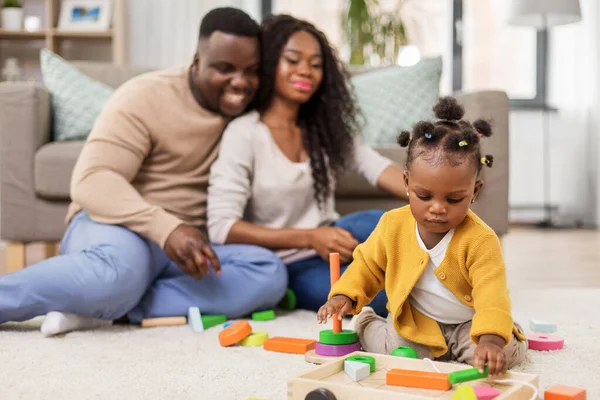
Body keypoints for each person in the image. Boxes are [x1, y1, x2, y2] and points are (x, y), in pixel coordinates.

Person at [0, 7, 288, 336]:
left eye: (251, 71)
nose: (241, 82)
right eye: (225, 69)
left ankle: (104, 309)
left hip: (189, 248)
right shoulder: (145, 96)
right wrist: (165, 227)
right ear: (196, 62)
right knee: (118, 275)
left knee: (268, 273)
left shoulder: (254, 106)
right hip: (118, 228)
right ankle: (101, 295)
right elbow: (92, 180)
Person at [206, 14, 407, 317]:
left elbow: (375, 166)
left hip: (336, 234)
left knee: (393, 225)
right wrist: (310, 238)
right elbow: (222, 227)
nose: (306, 71)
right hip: (291, 261)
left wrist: (431, 197)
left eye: (315, 64)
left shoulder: (324, 127)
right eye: (293, 60)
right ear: (271, 63)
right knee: (376, 300)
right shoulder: (244, 133)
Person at [317, 96, 528, 376]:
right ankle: (369, 322)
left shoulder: (481, 240)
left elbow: (492, 293)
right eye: (424, 196)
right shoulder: (392, 225)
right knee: (398, 351)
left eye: (454, 199)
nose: (438, 209)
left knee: (503, 355)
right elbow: (367, 266)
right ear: (406, 183)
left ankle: (505, 332)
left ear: (474, 191)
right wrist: (344, 294)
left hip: (469, 325)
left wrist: (490, 339)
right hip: (417, 323)